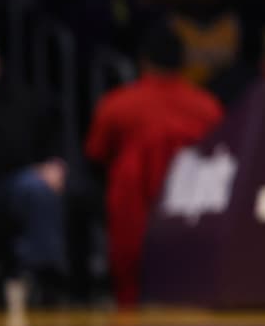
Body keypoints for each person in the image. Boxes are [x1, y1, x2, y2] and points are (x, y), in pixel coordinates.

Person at [83, 22, 224, 305]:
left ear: (144, 61)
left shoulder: (116, 105)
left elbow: (95, 157)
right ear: (184, 62)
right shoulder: (209, 108)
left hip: (133, 220)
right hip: (193, 220)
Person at [0, 30, 69, 302]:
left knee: (38, 188)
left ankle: (43, 275)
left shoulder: (22, 100)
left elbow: (47, 148)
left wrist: (53, 167)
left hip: (11, 184)